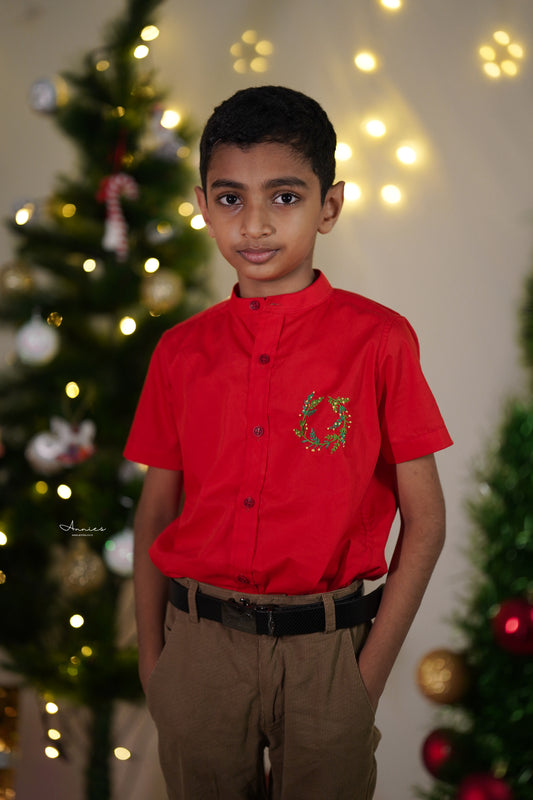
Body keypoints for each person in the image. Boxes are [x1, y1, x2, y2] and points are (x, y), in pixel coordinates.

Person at [124, 85, 453, 800]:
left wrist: (365, 679)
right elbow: (154, 512)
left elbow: (425, 521)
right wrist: (155, 664)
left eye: (283, 196)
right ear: (203, 205)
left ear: (328, 206)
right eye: (230, 198)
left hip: (328, 660)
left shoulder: (380, 341)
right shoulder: (179, 352)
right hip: (200, 655)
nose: (254, 224)